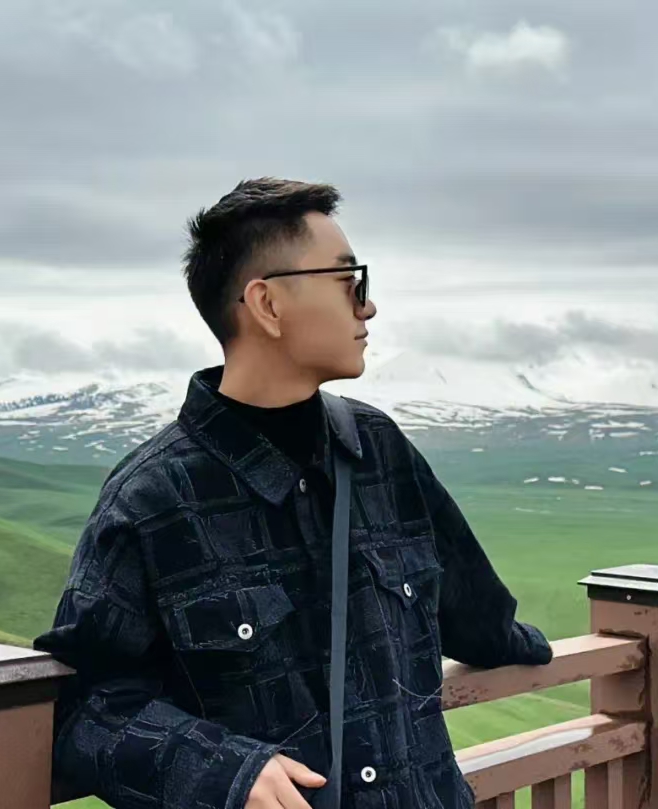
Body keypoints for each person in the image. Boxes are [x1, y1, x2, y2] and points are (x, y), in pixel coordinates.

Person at [33, 177, 553, 809]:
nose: (367, 307)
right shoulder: (153, 500)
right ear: (268, 304)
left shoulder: (379, 451)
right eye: (348, 281)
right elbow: (82, 704)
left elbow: (474, 616)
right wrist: (224, 771)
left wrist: (536, 650)